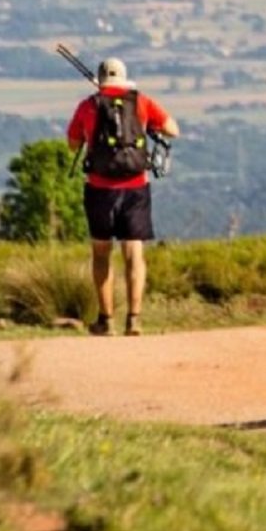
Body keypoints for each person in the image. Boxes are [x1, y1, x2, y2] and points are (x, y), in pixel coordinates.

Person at [65, 57, 179, 337]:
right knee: (134, 254)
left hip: (99, 188)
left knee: (102, 255)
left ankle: (106, 320)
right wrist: (148, 128)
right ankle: (134, 319)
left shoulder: (88, 106)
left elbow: (72, 145)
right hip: (135, 186)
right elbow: (173, 130)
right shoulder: (141, 102)